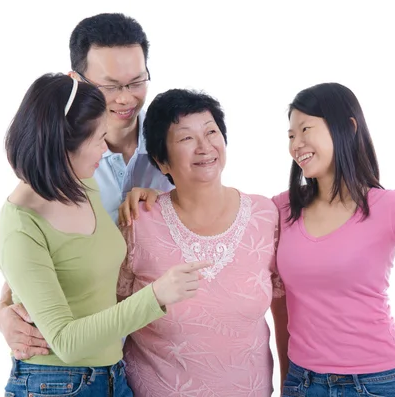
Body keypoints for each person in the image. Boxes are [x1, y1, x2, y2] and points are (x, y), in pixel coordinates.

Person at [120, 83, 395, 397]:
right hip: (304, 382)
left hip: (379, 381)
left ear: (346, 128)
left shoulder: (390, 207)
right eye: (290, 134)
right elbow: (210, 204)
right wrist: (152, 193)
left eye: (306, 130)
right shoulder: (279, 210)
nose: (296, 144)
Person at [0, 73, 209, 396]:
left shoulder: (82, 183)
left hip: (112, 375)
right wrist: (156, 296)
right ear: (64, 145)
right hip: (53, 383)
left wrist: (147, 200)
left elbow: (69, 264)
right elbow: (65, 341)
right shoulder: (20, 225)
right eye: (98, 139)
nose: (104, 149)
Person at [0, 13, 172, 362]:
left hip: (160, 355)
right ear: (75, 80)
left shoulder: (177, 144)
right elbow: (32, 256)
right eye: (110, 86)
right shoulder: (64, 166)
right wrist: (1, 311)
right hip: (81, 362)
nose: (125, 99)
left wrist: (170, 201)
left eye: (136, 81)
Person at [116, 88, 282, 396]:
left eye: (211, 132)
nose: (204, 146)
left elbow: (284, 307)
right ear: (161, 161)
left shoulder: (266, 215)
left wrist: (290, 388)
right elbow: (109, 315)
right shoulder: (138, 222)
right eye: (186, 138)